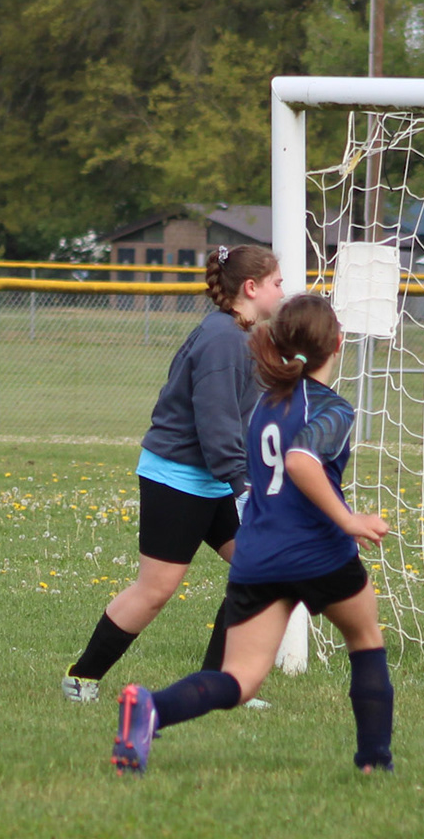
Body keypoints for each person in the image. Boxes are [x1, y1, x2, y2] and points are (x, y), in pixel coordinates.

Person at [110, 294, 393, 774]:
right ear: (338, 343)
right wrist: (349, 521)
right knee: (365, 639)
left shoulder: (265, 404)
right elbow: (300, 462)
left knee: (239, 680)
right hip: (318, 553)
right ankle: (374, 762)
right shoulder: (332, 409)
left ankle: (153, 707)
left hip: (259, 556)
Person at [62, 244, 285, 702]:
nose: (283, 291)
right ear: (251, 287)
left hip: (214, 478)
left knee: (265, 567)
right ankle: (81, 679)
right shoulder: (223, 339)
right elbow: (216, 425)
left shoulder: (243, 335)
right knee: (155, 590)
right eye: (277, 283)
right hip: (178, 478)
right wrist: (244, 488)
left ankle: (218, 686)